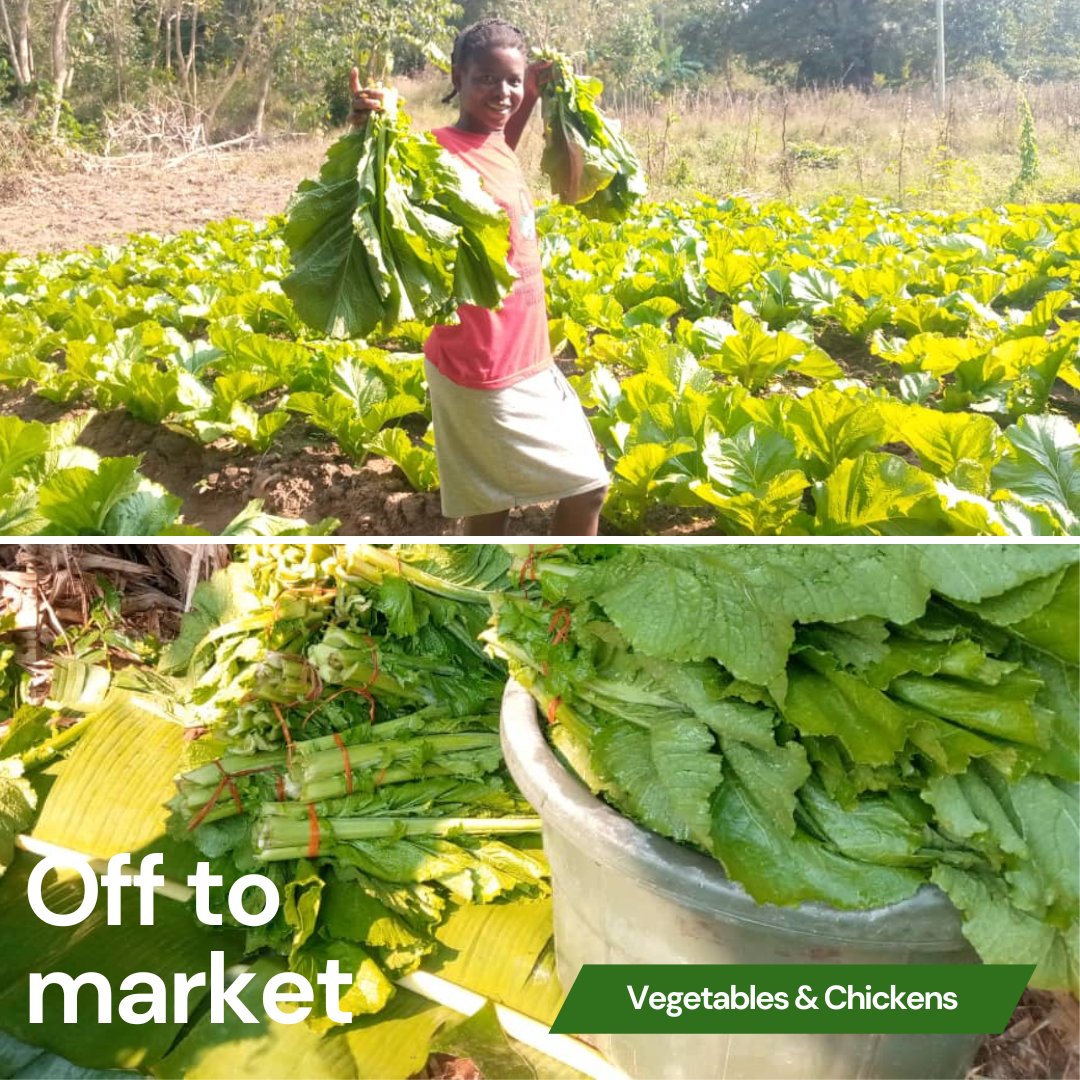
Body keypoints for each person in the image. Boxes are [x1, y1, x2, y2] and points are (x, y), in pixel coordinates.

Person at [349, 18, 609, 536]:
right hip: (482, 364)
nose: (502, 92)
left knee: (492, 504)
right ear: (458, 78)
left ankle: (488, 593)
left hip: (530, 356)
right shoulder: (435, 154)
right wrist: (365, 127)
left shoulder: (497, 143)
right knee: (587, 487)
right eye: (487, 79)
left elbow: (505, 126)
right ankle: (559, 600)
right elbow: (379, 183)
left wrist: (534, 89)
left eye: (511, 80)